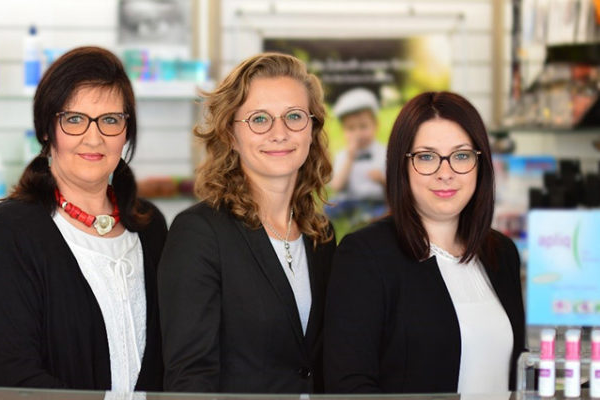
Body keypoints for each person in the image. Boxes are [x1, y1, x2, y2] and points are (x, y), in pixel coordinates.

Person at [0, 46, 166, 392]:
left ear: (126, 131)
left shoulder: (150, 225)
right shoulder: (10, 233)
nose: (94, 137)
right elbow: (8, 376)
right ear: (46, 130)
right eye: (74, 119)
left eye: (110, 120)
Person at [323, 91, 525, 394]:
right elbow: (349, 385)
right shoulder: (365, 256)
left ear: (480, 163)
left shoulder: (501, 253)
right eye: (427, 157)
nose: (446, 173)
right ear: (401, 165)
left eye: (461, 156)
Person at [158, 53, 336, 394]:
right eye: (259, 119)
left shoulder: (321, 235)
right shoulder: (199, 234)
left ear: (312, 129)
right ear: (230, 134)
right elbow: (190, 379)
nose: (279, 133)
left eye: (295, 116)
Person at [329, 87, 386, 201]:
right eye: (351, 128)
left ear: (376, 125)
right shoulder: (343, 156)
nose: (358, 134)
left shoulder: (385, 152)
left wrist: (382, 180)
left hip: (378, 201)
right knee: (331, 205)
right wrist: (349, 159)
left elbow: (397, 187)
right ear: (343, 131)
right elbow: (336, 187)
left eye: (363, 126)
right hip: (350, 201)